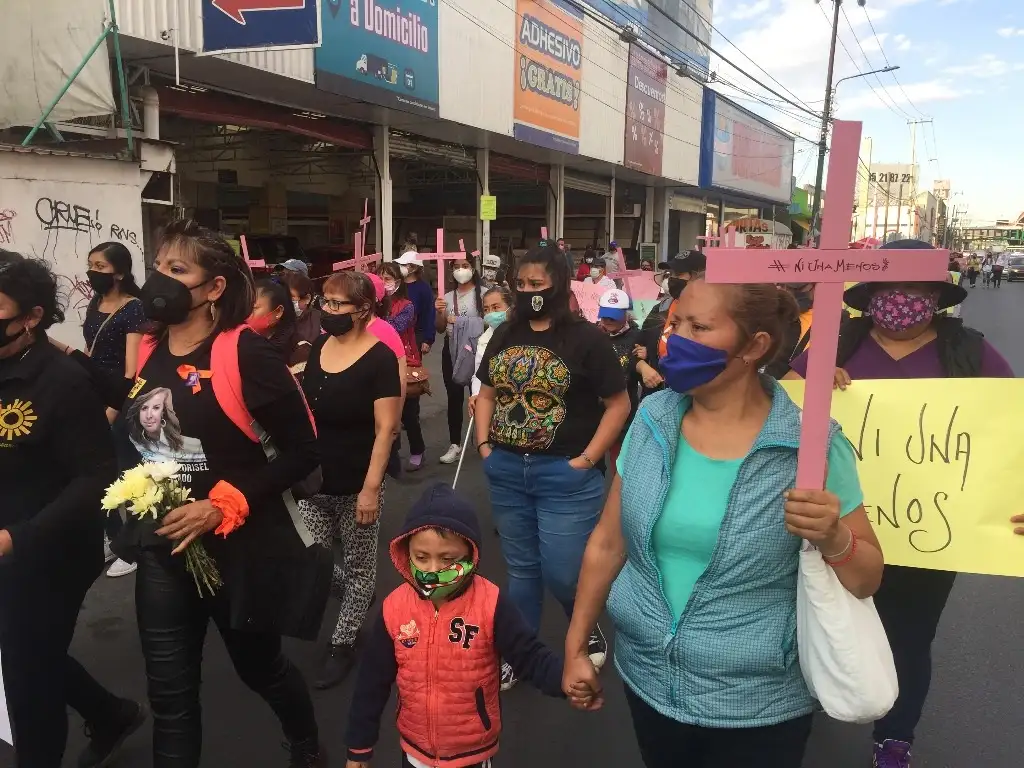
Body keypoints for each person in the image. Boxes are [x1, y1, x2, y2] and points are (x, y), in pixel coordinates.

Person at [564, 277, 883, 768]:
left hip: (758, 704)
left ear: (754, 346)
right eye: (675, 322)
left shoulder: (811, 448)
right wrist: (576, 645)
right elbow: (608, 544)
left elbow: (867, 578)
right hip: (649, 679)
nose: (674, 338)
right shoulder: (651, 420)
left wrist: (834, 537)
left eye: (699, 326)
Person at [65, 220, 330, 767]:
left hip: (240, 550)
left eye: (177, 270)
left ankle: (306, 744)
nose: (160, 279)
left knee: (262, 671)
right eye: (159, 266)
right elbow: (145, 404)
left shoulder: (246, 355)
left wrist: (221, 505)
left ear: (214, 288)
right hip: (165, 550)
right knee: (171, 700)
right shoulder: (155, 345)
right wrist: (73, 363)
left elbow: (305, 453)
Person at [784, 241, 1013, 768]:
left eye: (916, 290)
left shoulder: (971, 353)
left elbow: (1012, 433)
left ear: (936, 296)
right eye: (892, 289)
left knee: (909, 637)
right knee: (820, 618)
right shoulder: (835, 344)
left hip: (931, 535)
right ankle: (800, 706)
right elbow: (779, 407)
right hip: (833, 524)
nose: (903, 300)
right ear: (871, 294)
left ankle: (894, 738)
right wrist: (813, 384)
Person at [0, 251, 147, 768]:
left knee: (25, 675)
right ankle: (109, 714)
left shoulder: (62, 383)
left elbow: (95, 477)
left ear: (32, 316)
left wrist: (20, 537)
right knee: (26, 654)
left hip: (51, 552)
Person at [475, 242, 630, 691]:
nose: (527, 292)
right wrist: (486, 446)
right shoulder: (504, 334)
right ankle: (520, 654)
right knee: (521, 570)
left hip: (565, 475)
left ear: (559, 285)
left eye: (536, 284)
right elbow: (487, 393)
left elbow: (617, 405)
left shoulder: (588, 340)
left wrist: (586, 459)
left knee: (563, 572)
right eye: (520, 284)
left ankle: (581, 624)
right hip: (506, 469)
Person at [344, 483, 571, 768]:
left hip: (472, 752)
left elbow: (530, 656)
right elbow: (371, 682)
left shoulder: (490, 603)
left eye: (448, 559)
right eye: (421, 557)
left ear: (470, 554)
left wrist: (567, 681)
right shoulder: (395, 608)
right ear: (406, 552)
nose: (432, 570)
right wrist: (359, 747)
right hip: (415, 751)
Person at [299, 271, 401, 691]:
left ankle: (343, 642)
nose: (328, 310)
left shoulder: (379, 359)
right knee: (310, 560)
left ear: (363, 310)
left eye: (337, 304)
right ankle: (358, 600)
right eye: (325, 301)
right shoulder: (322, 344)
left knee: (359, 567)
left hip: (357, 481)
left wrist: (371, 489)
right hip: (313, 479)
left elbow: (386, 429)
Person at [82, 242, 147, 577]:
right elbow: (89, 351)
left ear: (119, 273)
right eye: (91, 264)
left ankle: (132, 545)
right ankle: (112, 536)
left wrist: (113, 408)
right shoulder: (96, 301)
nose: (93, 272)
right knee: (96, 472)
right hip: (93, 393)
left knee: (127, 472)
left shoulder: (134, 308)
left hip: (121, 399)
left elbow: (131, 369)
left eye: (100, 266)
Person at [633, 251, 707, 398]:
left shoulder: (713, 314)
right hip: (657, 395)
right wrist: (643, 366)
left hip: (695, 398)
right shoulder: (661, 309)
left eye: (678, 274)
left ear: (699, 276)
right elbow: (633, 346)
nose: (671, 279)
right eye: (670, 274)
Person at [434, 258, 484, 465]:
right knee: (454, 397)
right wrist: (439, 313)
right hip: (452, 350)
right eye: (456, 267)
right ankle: (455, 444)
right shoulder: (446, 298)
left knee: (481, 396)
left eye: (465, 266)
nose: (460, 270)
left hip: (477, 351)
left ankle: (485, 441)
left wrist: (462, 321)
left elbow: (491, 321)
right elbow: (439, 328)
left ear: (473, 269)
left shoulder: (483, 295)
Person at [380, 262, 425, 468]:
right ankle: (391, 455)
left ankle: (417, 449)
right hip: (380, 362)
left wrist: (373, 317)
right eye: (380, 278)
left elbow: (396, 327)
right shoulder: (373, 305)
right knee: (385, 413)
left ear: (398, 282)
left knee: (408, 414)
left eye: (387, 279)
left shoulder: (407, 305)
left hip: (405, 362)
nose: (383, 283)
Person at [395, 250, 436, 469]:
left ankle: (416, 448)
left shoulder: (421, 288)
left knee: (410, 394)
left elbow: (428, 314)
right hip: (391, 346)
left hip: (413, 341)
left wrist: (427, 339)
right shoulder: (396, 288)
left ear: (413, 267)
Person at [596, 287, 642, 463]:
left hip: (624, 415)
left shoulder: (638, 337)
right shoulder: (593, 335)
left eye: (613, 316)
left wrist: (643, 361)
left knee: (619, 463)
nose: (607, 320)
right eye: (605, 315)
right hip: (594, 412)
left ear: (626, 315)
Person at [468, 286, 513, 418]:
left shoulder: (522, 333)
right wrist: (476, 394)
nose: (491, 313)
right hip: (491, 402)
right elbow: (478, 374)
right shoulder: (484, 339)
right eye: (486, 309)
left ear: (510, 307)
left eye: (496, 307)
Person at [248, 278, 309, 370]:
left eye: (253, 308)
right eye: (245, 307)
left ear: (278, 312)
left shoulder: (300, 350)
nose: (246, 313)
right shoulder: (244, 342)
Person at [281, 272, 322, 348]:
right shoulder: (276, 318)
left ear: (307, 299)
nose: (285, 300)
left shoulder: (320, 320)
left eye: (291, 297)